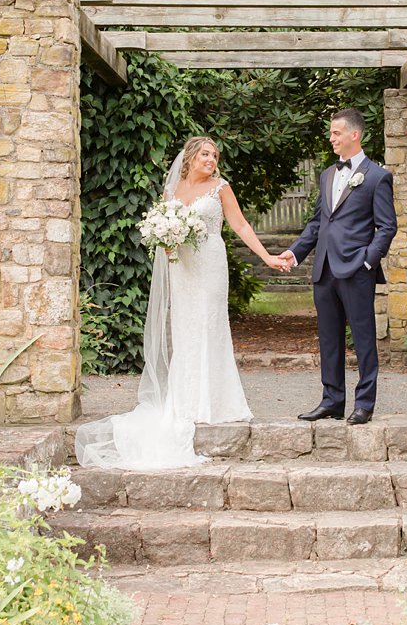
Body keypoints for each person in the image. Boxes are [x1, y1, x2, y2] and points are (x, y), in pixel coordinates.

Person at [75, 136, 287, 468]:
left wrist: (268, 257)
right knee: (185, 327)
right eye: (205, 154)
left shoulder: (221, 187)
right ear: (190, 157)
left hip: (210, 265)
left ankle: (215, 401)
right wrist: (167, 240)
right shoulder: (172, 191)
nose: (211, 160)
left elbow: (240, 224)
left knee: (209, 325)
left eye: (215, 156)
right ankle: (185, 400)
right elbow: (164, 230)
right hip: (182, 268)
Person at [280, 109, 398, 426]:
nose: (331, 138)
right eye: (331, 133)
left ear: (354, 135)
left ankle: (364, 403)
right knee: (329, 339)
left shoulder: (377, 177)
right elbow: (319, 222)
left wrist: (368, 260)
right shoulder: (327, 175)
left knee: (363, 338)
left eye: (336, 133)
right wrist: (295, 252)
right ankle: (332, 401)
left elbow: (387, 227)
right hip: (324, 269)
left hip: (357, 269)